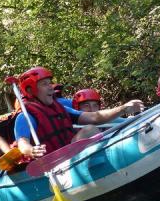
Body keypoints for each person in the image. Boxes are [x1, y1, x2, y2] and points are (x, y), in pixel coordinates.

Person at [14, 67, 143, 160]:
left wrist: (123, 109)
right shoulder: (25, 116)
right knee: (89, 131)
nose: (50, 87)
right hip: (53, 162)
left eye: (50, 83)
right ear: (31, 90)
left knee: (90, 128)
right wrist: (31, 150)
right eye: (44, 84)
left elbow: (95, 117)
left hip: (69, 154)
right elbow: (22, 144)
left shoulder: (60, 108)